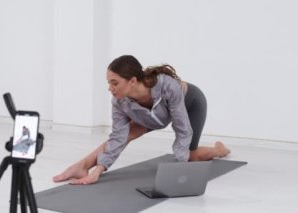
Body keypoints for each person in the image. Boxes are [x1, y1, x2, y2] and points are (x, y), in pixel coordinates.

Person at [53, 55, 230, 185]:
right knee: (123, 135)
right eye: (109, 83)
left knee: (189, 155)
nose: (110, 88)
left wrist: (177, 171)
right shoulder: (119, 101)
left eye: (114, 83)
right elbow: (118, 137)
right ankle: (82, 166)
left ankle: (219, 149)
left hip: (190, 103)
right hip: (153, 115)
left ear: (132, 81)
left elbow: (182, 130)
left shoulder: (167, 86)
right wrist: (98, 171)